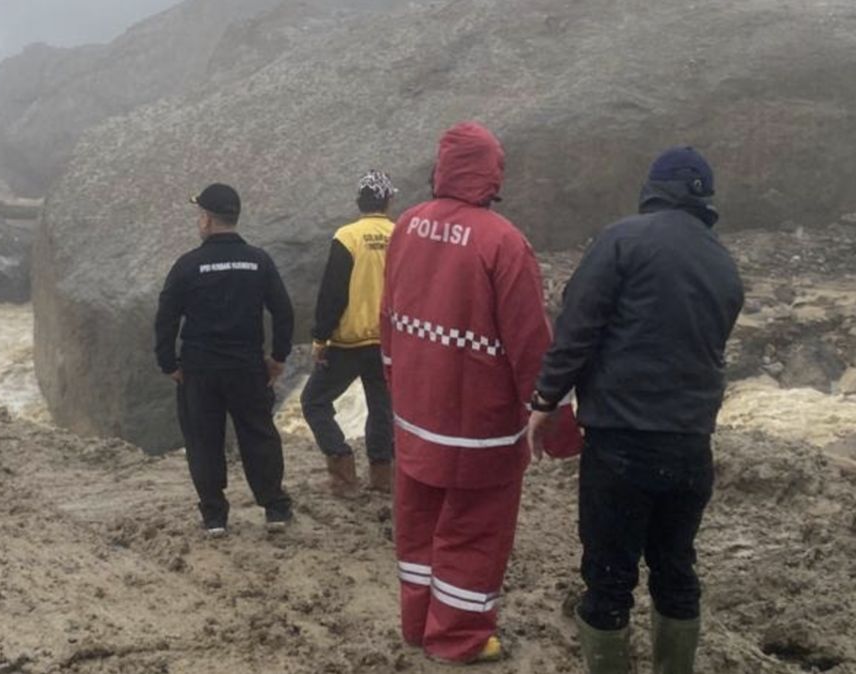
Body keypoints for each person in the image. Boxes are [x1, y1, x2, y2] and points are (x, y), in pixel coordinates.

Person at [527, 147, 744, 674]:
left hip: (621, 443)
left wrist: (544, 400)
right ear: (705, 199)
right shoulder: (722, 262)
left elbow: (578, 328)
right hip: (692, 448)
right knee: (676, 569)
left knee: (608, 576)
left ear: (654, 188)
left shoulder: (623, 239)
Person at [381, 122, 580, 663]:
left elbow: (391, 320)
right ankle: (459, 638)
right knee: (473, 532)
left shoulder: (407, 226)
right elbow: (530, 344)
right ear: (492, 173)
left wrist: (398, 391)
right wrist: (558, 427)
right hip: (479, 428)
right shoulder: (503, 241)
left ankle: (419, 625)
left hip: (416, 414)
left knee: (419, 525)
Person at [154, 183, 295, 537]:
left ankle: (215, 516)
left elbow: (166, 317)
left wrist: (168, 363)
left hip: (199, 369)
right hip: (247, 366)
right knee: (258, 435)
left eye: (199, 214)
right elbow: (283, 312)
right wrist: (278, 357)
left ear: (206, 219)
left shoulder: (187, 265)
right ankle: (275, 508)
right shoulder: (258, 261)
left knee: (203, 439)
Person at [301, 170, 397, 498]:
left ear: (359, 201)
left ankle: (343, 472)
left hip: (348, 341)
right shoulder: (400, 236)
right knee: (382, 408)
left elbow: (333, 291)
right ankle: (383, 477)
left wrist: (320, 337)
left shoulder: (347, 236)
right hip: (387, 341)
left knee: (314, 401)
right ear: (388, 200)